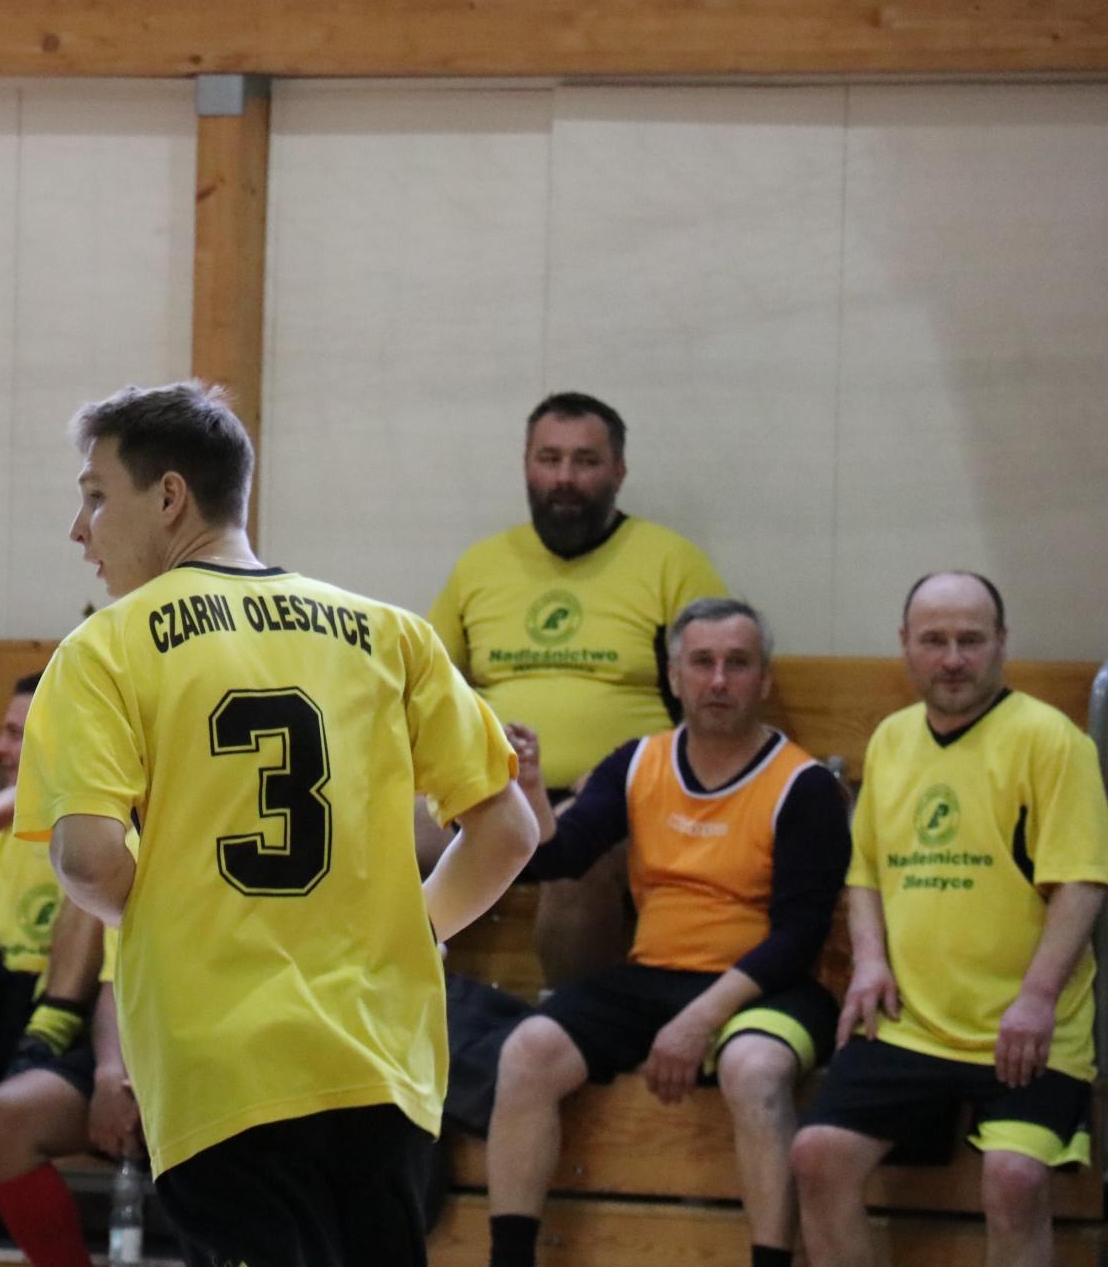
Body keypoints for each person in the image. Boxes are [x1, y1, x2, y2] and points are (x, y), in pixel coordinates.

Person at [13, 381, 539, 1267]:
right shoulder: (391, 634)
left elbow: (92, 862)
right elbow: (508, 833)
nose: (80, 529)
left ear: (170, 496)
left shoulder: (106, 647)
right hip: (380, 1060)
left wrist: (181, 919)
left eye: (96, 496)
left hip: (222, 1068)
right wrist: (413, 928)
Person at [484, 597, 850, 1267]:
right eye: (702, 663)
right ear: (675, 677)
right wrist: (531, 790)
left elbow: (799, 936)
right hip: (652, 976)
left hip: (767, 987)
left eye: (737, 664)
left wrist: (699, 1020)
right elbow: (559, 858)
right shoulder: (638, 761)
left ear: (764, 679)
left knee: (753, 1070)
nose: (719, 680)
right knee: (527, 1051)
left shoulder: (804, 786)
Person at [792, 572, 1108, 1267]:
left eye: (971, 640)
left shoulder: (1052, 741)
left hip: (1027, 1027)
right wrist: (869, 961)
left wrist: (1037, 998)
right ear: (906, 645)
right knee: (816, 1156)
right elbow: (865, 871)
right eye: (934, 641)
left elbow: (1082, 884)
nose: (953, 658)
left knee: (1015, 1182)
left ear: (1002, 643)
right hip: (912, 1023)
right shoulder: (890, 738)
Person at [430, 392, 726, 986]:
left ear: (618, 471)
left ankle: (566, 1019)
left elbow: (717, 697)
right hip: (489, 787)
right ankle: (381, 1007)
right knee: (375, 825)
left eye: (585, 461)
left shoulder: (672, 563)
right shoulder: (480, 567)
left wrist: (639, 773)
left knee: (576, 856)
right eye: (550, 459)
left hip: (614, 798)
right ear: (526, 465)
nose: (564, 477)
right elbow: (424, 688)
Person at [0, 673, 118, 1267]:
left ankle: (49, 1029)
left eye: (16, 735)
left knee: (94, 853)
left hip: (69, 1016)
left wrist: (45, 797)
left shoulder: (114, 820)